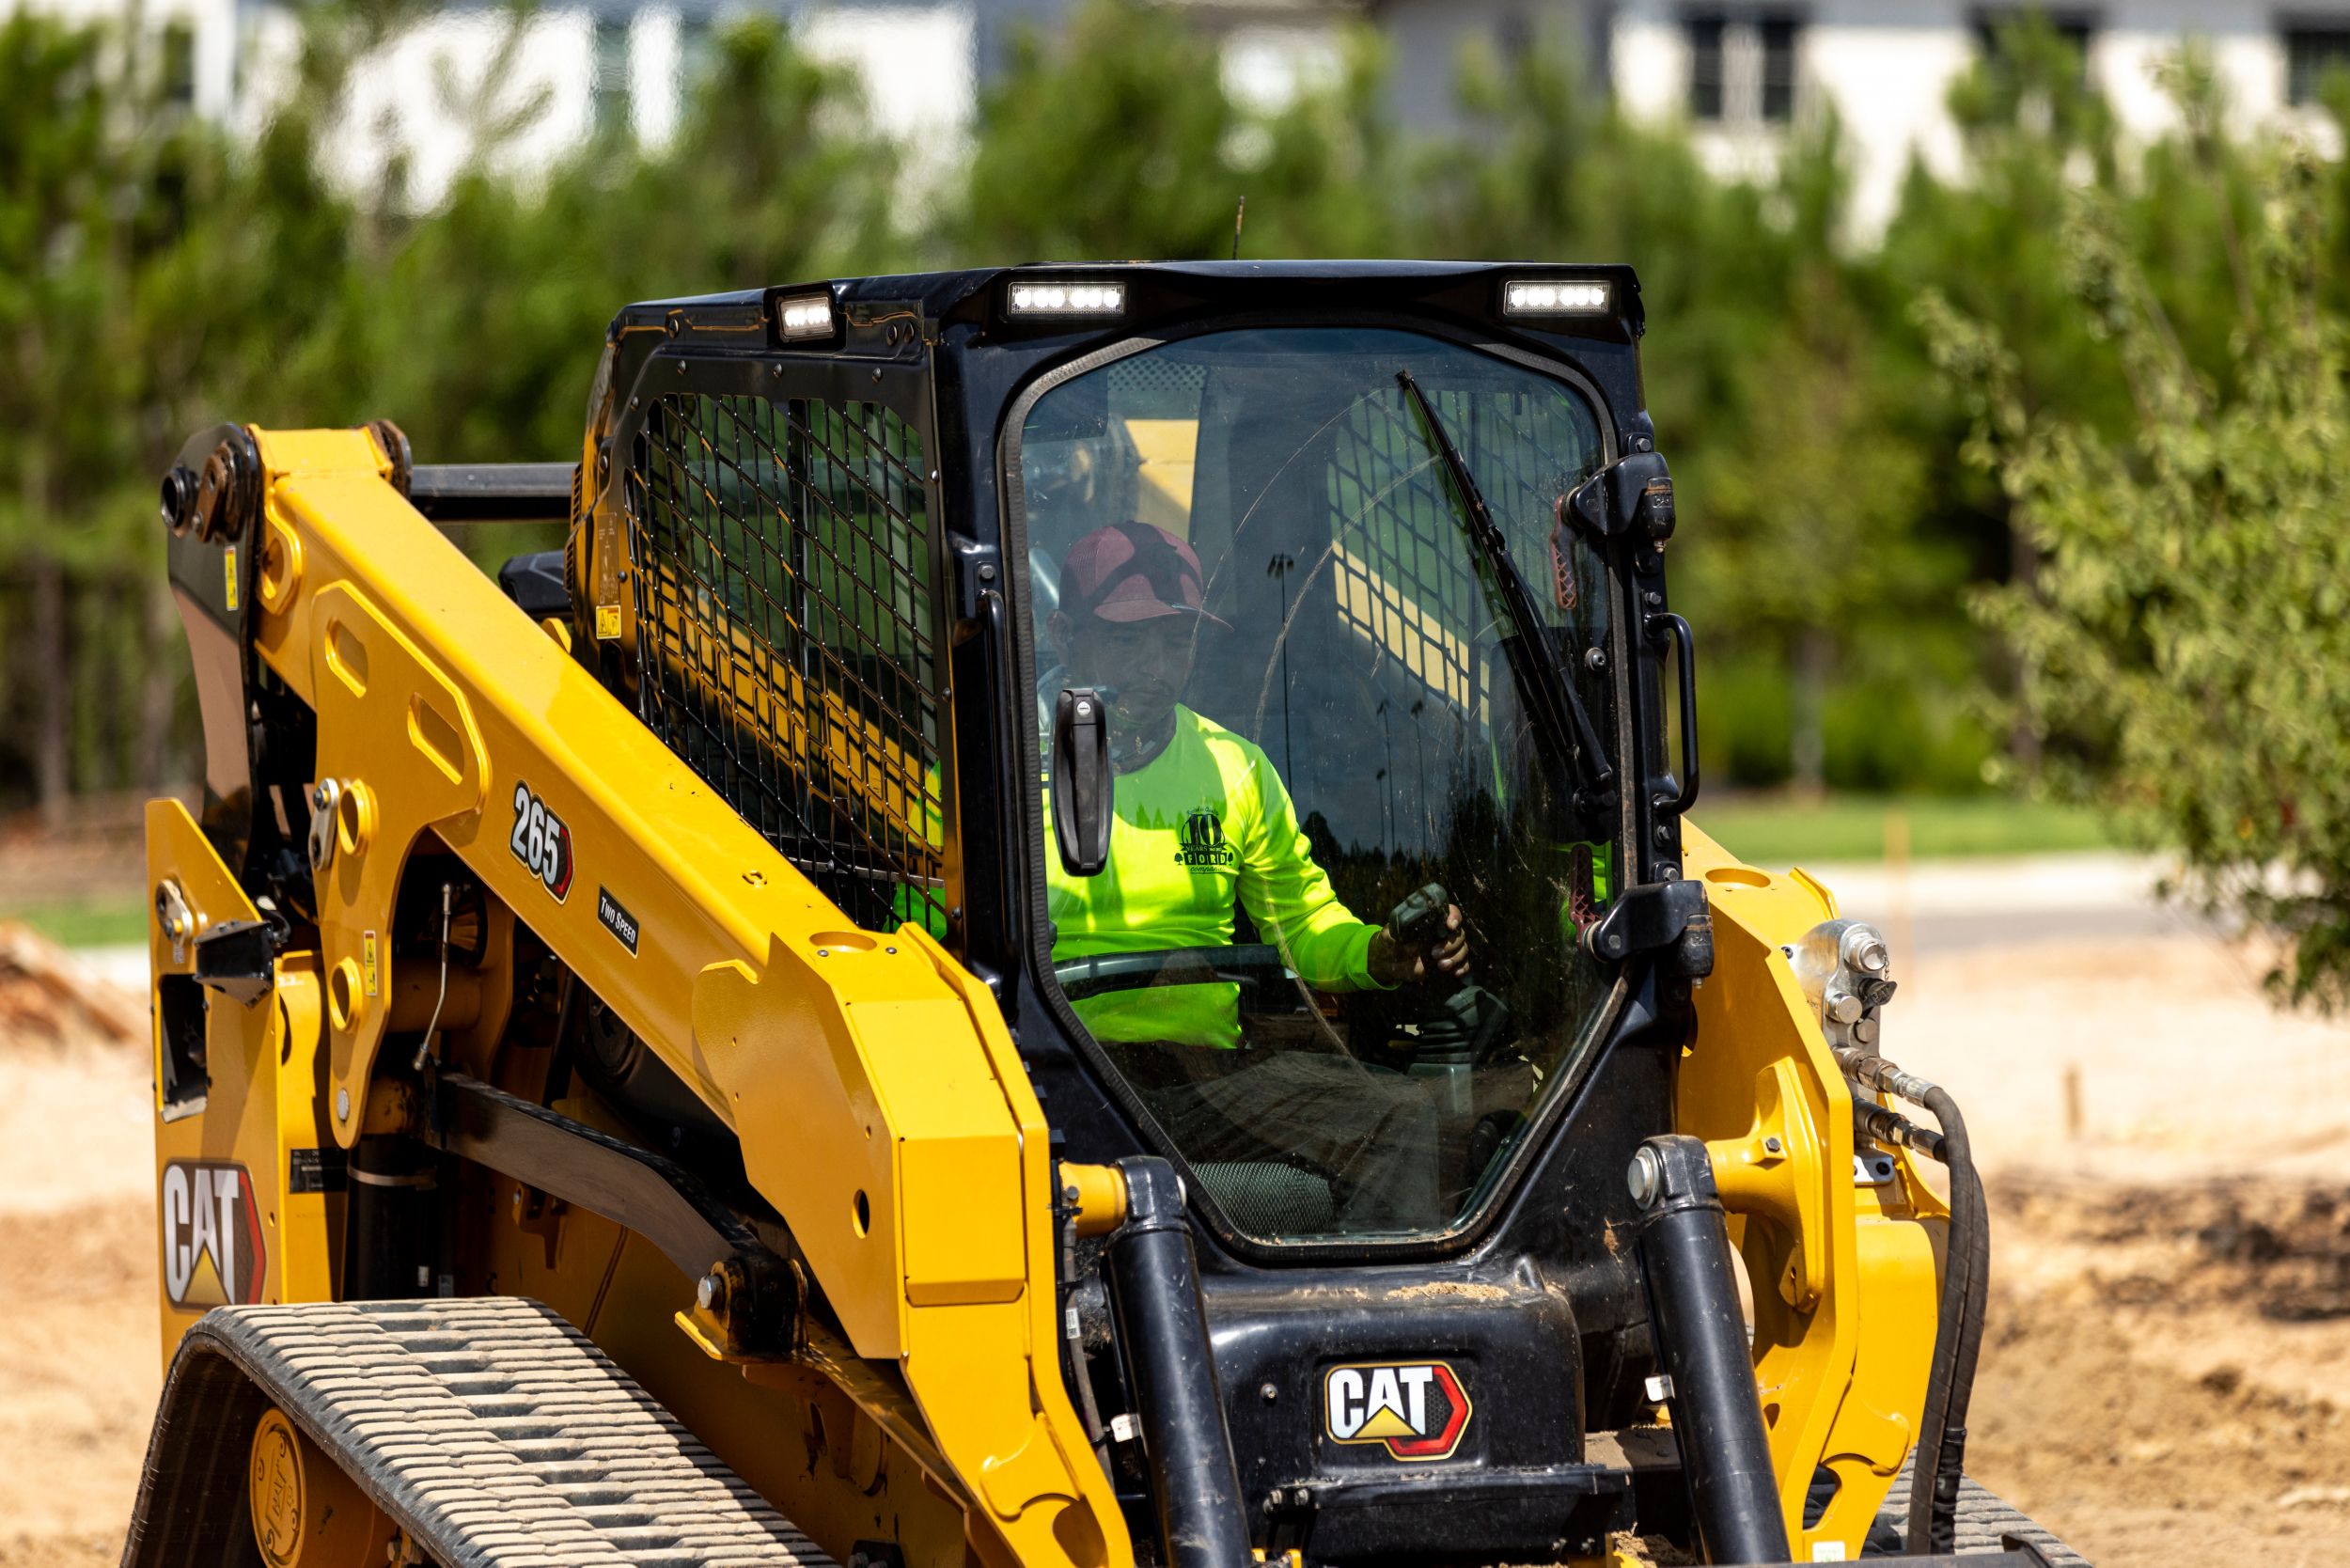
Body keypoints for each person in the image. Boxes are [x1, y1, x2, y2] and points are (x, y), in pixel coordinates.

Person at [1042, 521, 1470, 1229]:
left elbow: (1302, 924)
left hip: (1200, 1079)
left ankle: (1363, 1324)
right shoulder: (994, 768)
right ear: (1064, 635)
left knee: (1400, 1122)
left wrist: (1381, 953)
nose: (1153, 664)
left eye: (1174, 641)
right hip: (1052, 1072)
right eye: (1126, 640)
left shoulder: (1235, 770)